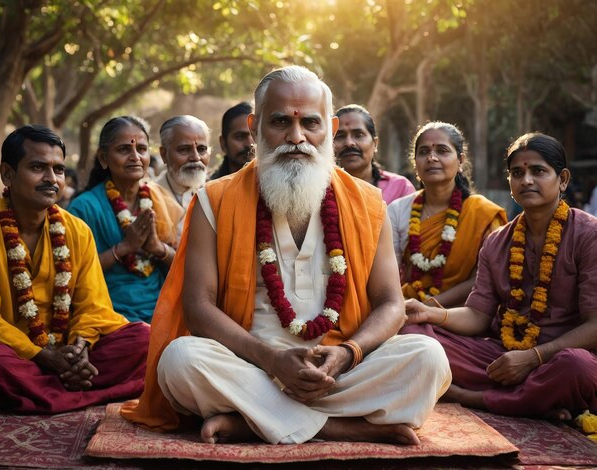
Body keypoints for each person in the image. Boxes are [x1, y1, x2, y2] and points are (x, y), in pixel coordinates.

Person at [121, 66, 451, 445]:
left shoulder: (367, 202)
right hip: (250, 365)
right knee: (180, 361)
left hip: (340, 368)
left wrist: (347, 353)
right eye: (280, 122)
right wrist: (270, 359)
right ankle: (340, 428)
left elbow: (392, 303)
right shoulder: (214, 199)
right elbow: (198, 306)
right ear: (255, 123)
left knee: (428, 358)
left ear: (329, 125)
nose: (297, 137)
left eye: (310, 123)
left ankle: (253, 421)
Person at [404, 133, 597, 419]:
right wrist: (430, 314)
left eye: (538, 171)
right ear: (510, 183)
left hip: (560, 357)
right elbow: (477, 314)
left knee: (577, 368)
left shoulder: (588, 234)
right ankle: (536, 401)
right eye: (517, 173)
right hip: (502, 356)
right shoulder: (497, 242)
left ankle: (472, 397)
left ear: (563, 179)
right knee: (412, 334)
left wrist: (535, 357)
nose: (527, 180)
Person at [0, 125, 149, 413]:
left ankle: (44, 393)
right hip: (15, 354)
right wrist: (42, 355)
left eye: (58, 169)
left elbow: (93, 306)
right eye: (38, 167)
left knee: (143, 339)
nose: (51, 179)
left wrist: (80, 348)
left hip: (68, 353)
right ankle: (80, 391)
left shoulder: (76, 230)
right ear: (7, 174)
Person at [69, 116, 183, 323]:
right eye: (123, 150)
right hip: (109, 314)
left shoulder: (161, 199)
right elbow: (72, 275)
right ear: (103, 158)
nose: (135, 156)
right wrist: (124, 248)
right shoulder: (83, 207)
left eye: (141, 149)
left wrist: (158, 248)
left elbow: (185, 267)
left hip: (163, 310)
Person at [388, 122, 507, 308]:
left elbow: (483, 279)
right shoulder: (397, 209)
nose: (432, 158)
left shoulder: (483, 213)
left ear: (460, 160)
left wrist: (428, 308)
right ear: (415, 161)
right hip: (407, 307)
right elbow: (390, 274)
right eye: (424, 152)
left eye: (442, 151)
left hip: (465, 316)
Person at [334, 104, 415, 204]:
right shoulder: (322, 190)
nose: (349, 143)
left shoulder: (400, 188)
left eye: (358, 135)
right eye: (340, 136)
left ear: (375, 144)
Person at [155, 115, 211, 237]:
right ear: (164, 154)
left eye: (201, 149)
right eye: (184, 149)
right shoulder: (150, 197)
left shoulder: (216, 193)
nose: (196, 157)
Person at [209, 101, 254, 179]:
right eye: (240, 137)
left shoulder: (276, 186)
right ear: (223, 143)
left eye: (256, 135)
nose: (250, 144)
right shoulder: (210, 189)